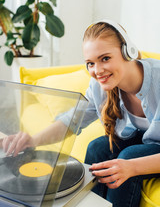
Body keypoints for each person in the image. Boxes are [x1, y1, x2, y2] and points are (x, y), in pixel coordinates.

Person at [2, 20, 160, 207]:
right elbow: (72, 120)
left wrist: (131, 167)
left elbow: (129, 160)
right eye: (90, 63)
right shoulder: (99, 85)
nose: (97, 70)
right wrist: (32, 140)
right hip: (144, 139)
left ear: (128, 52)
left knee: (129, 156)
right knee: (96, 148)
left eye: (105, 58)